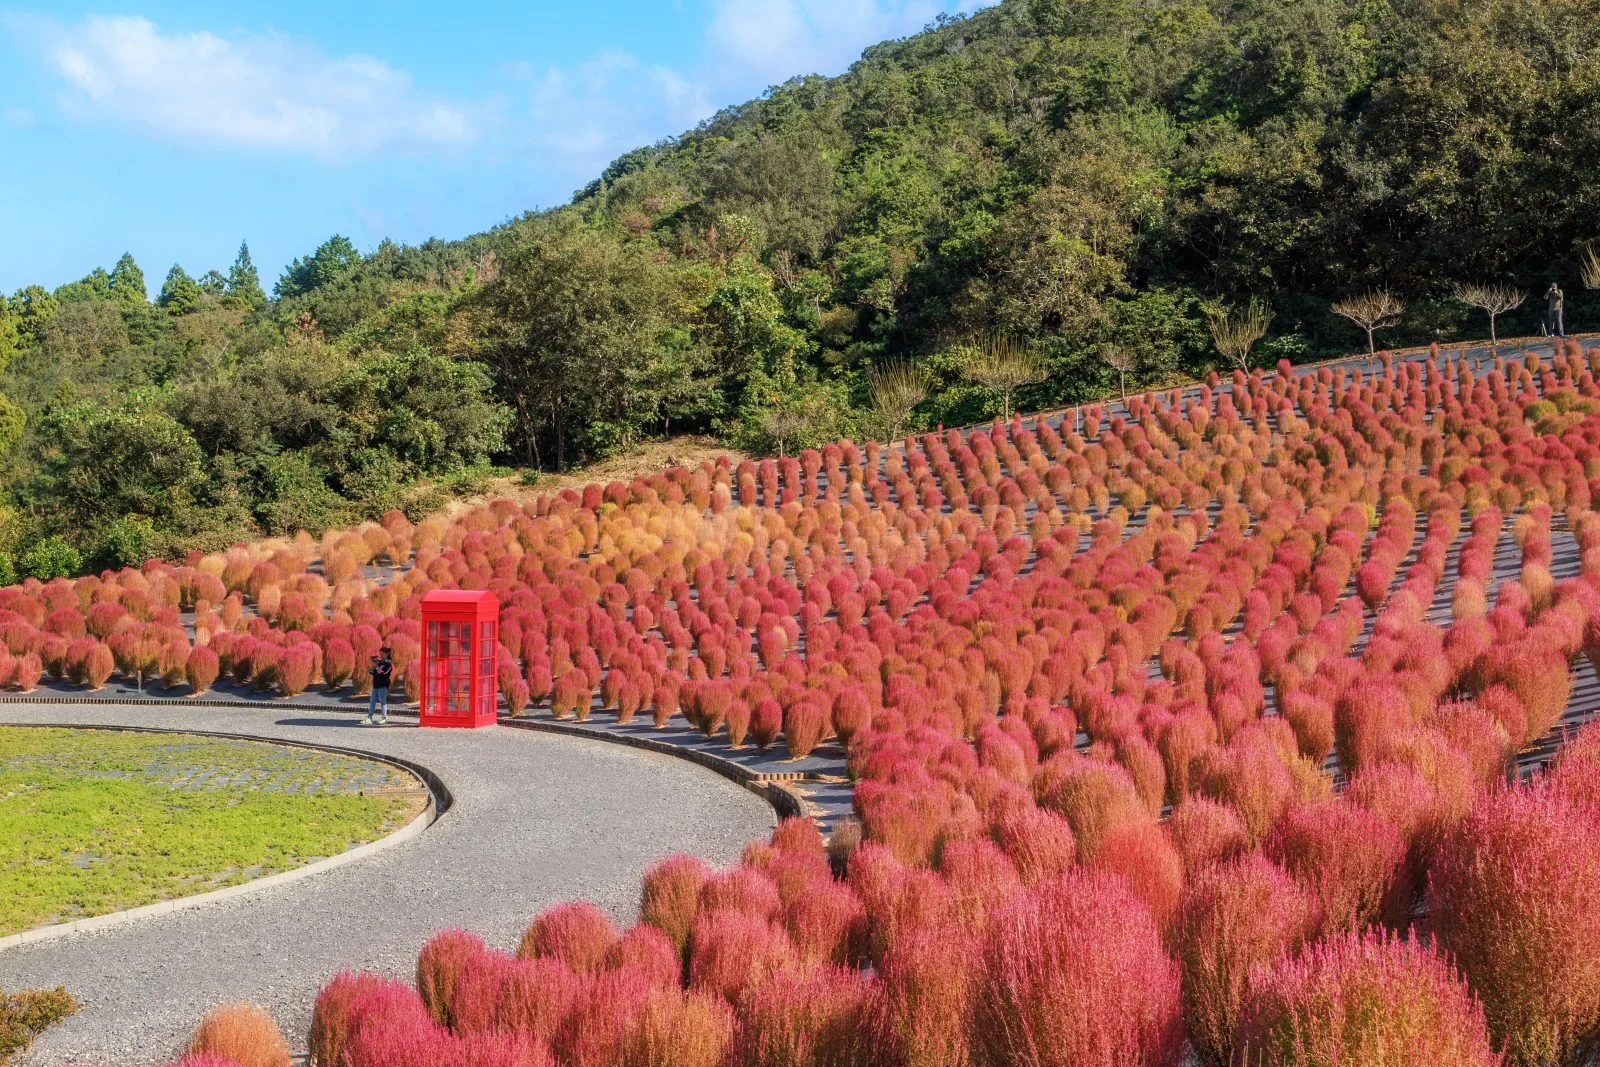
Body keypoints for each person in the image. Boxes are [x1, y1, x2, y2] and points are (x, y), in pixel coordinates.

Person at [364, 647, 393, 725]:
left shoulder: (388, 664)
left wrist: (377, 667)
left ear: (387, 654)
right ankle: (369, 717)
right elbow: (371, 672)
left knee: (382, 702)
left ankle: (384, 718)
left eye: (382, 654)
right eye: (380, 654)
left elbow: (383, 674)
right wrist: (373, 666)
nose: (381, 655)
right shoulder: (379, 663)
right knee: (372, 701)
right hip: (376, 685)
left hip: (383, 685)